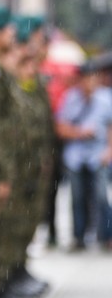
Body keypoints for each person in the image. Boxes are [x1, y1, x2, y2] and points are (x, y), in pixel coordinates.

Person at [56, 63, 112, 250]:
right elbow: (61, 127)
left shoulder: (105, 98)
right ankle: (78, 236)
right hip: (76, 155)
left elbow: (110, 126)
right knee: (77, 197)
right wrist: (80, 132)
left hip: (98, 154)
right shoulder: (70, 98)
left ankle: (107, 235)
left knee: (101, 196)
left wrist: (109, 150)